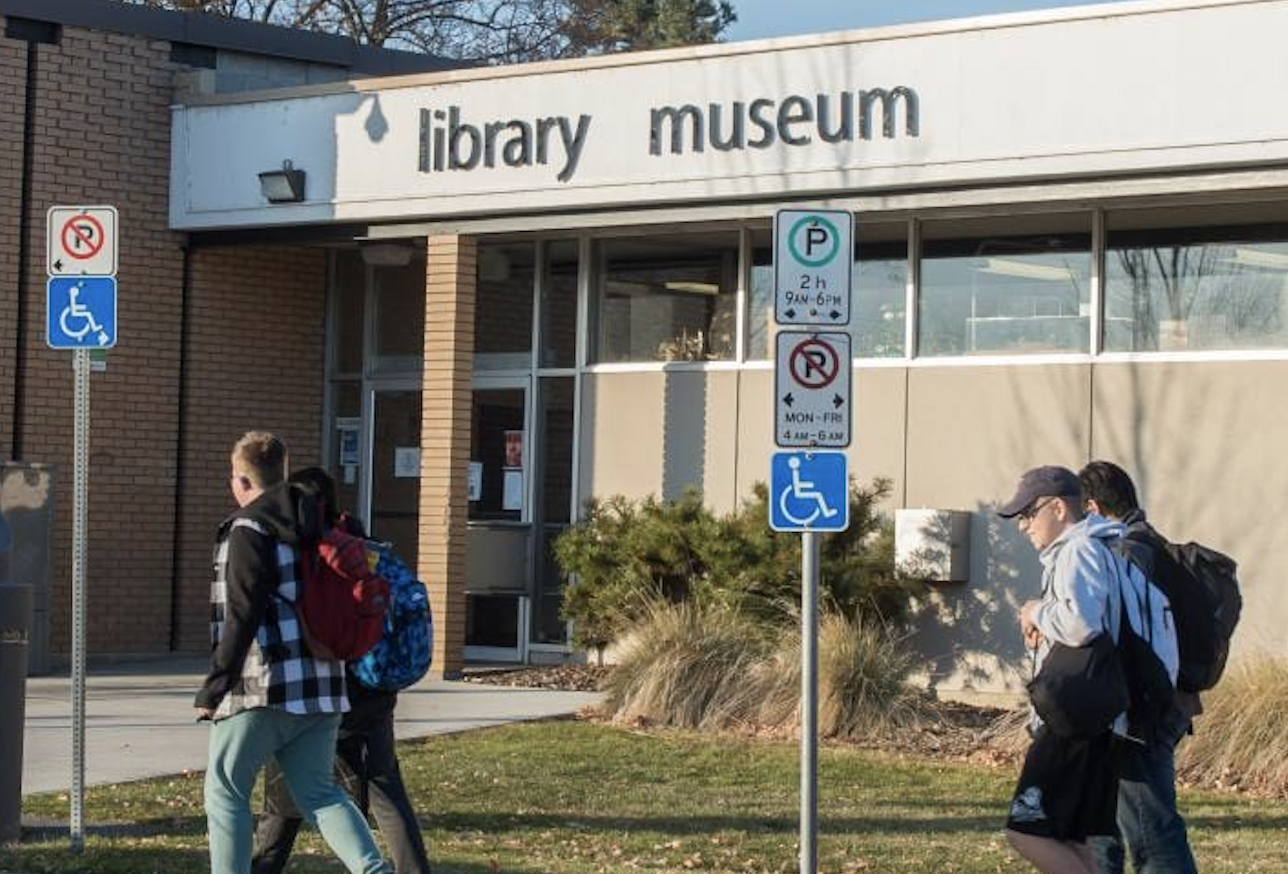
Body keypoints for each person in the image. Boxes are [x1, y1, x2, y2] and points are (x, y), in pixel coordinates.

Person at [195, 432, 390, 874]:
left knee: (225, 791)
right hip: (324, 688)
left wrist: (213, 690)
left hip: (263, 689)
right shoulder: (317, 523)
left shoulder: (249, 529)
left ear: (241, 480)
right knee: (320, 793)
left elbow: (242, 616)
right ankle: (374, 870)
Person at [251, 467, 433, 874]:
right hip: (373, 690)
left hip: (314, 692)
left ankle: (264, 867)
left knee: (284, 801)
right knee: (384, 789)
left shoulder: (307, 554)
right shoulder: (366, 550)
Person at [997, 465, 1127, 874]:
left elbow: (1082, 624)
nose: (1022, 526)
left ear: (1057, 508)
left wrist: (1036, 609)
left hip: (1072, 723)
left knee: (1026, 831)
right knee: (1076, 840)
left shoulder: (1078, 550)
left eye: (1027, 514)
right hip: (1099, 721)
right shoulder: (1100, 549)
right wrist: (1042, 628)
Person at [1079, 460, 1200, 874]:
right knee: (1101, 827)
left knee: (1152, 835)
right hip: (1154, 705)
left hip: (1137, 714)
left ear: (1091, 507)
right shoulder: (1151, 545)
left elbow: (1121, 636)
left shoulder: (1127, 554)